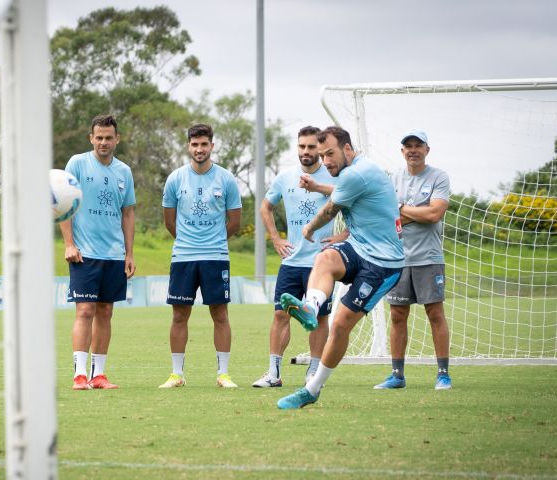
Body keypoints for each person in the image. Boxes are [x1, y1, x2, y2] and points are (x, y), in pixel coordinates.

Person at [277, 126, 404, 409]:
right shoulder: (355, 172)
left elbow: (330, 209)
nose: (326, 161)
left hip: (384, 264)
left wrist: (309, 227)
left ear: (347, 149)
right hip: (360, 247)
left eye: (330, 154)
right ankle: (310, 307)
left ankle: (312, 388)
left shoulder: (357, 173)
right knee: (325, 258)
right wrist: (319, 187)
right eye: (322, 155)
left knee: (340, 325)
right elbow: (340, 190)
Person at [253, 126, 338, 388]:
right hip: (291, 262)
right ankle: (273, 373)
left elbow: (354, 206)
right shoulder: (285, 177)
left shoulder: (333, 178)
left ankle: (312, 373)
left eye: (311, 147)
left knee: (320, 318)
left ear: (320, 150)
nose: (306, 151)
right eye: (302, 146)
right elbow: (265, 207)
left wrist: (342, 237)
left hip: (321, 263)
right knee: (281, 315)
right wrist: (276, 238)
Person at [158, 123, 242, 389]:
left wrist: (213, 241)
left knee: (220, 314)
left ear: (212, 146)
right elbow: (169, 222)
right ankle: (176, 374)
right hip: (183, 257)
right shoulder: (175, 179)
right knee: (179, 315)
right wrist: (188, 241)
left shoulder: (226, 179)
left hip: (216, 257)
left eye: (204, 144)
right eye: (195, 144)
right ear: (188, 147)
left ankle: (223, 374)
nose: (199, 149)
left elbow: (235, 222)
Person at [60, 114, 136, 390]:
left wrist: (129, 253)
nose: (104, 142)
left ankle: (99, 375)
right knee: (85, 310)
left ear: (117, 139)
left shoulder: (124, 171)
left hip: (114, 255)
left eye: (108, 138)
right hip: (84, 253)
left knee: (105, 312)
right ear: (91, 138)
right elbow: (64, 204)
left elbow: (128, 213)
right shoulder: (78, 163)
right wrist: (69, 243)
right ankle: (80, 375)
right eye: (99, 137)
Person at [375, 130, 452, 390]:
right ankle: (397, 375)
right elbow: (387, 216)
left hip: (428, 257)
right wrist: (413, 212)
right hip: (397, 257)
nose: (413, 150)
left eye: (418, 145)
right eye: (408, 146)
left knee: (435, 313)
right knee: (397, 314)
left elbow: (434, 214)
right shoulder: (393, 178)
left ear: (427, 149)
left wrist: (401, 210)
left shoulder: (438, 177)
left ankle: (443, 374)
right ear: (402, 151)